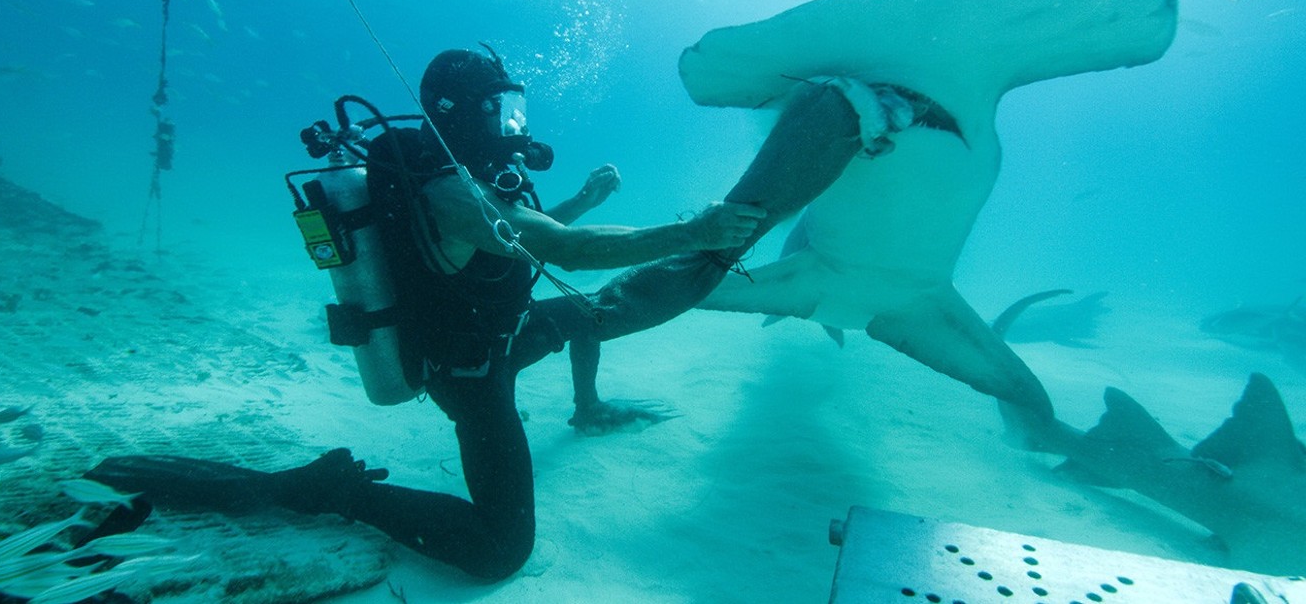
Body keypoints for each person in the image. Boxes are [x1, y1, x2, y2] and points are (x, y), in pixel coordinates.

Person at [87, 47, 909, 581]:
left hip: (502, 335)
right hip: (472, 377)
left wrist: (585, 198)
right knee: (498, 551)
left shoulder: (481, 181)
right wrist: (688, 230)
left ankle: (587, 410)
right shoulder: (451, 189)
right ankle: (337, 493)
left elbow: (530, 245)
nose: (517, 128)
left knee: (590, 315)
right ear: (465, 116)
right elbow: (558, 249)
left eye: (517, 109)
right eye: (505, 113)